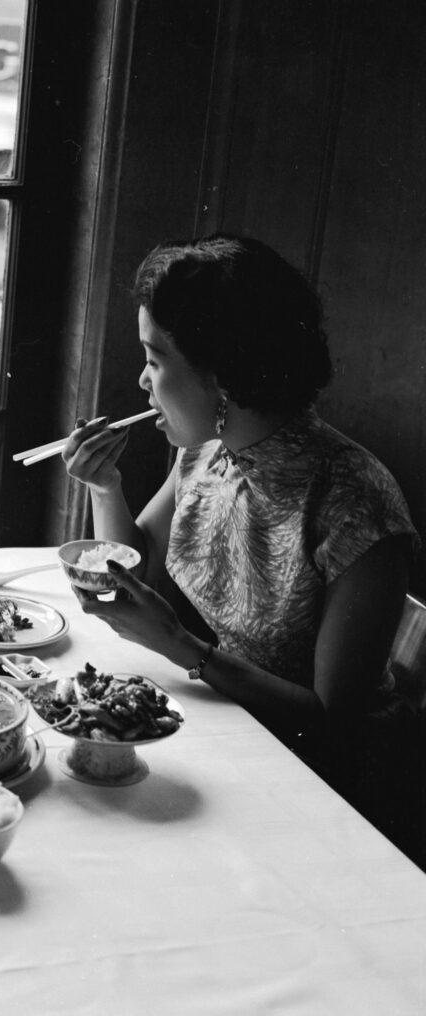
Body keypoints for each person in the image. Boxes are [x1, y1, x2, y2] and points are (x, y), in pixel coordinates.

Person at [62, 234, 421, 858]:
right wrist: (104, 486)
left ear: (222, 377)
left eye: (155, 356)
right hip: (238, 722)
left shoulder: (354, 500)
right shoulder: (207, 450)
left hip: (332, 789)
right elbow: (134, 563)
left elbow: (332, 722)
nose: (142, 380)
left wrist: (178, 644)